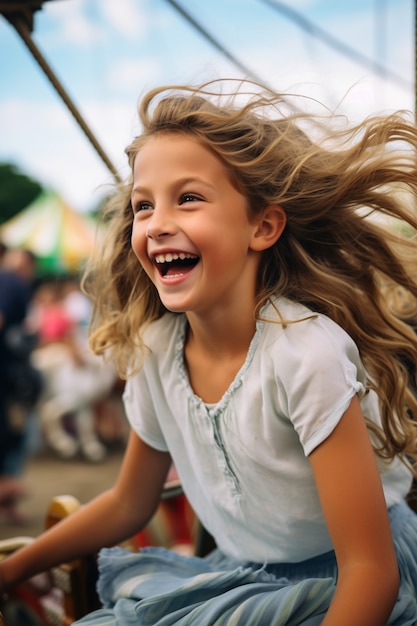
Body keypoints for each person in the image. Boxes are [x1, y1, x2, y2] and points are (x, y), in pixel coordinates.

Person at [0, 79, 417, 625]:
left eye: (188, 198)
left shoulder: (303, 353)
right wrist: (14, 568)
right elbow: (130, 502)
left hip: (342, 582)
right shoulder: (156, 351)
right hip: (243, 574)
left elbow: (371, 572)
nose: (158, 224)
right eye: (142, 206)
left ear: (262, 225)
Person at [0, 247, 41, 523]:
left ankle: (7, 502)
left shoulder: (8, 281)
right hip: (10, 377)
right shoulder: (11, 281)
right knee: (13, 438)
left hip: (9, 375)